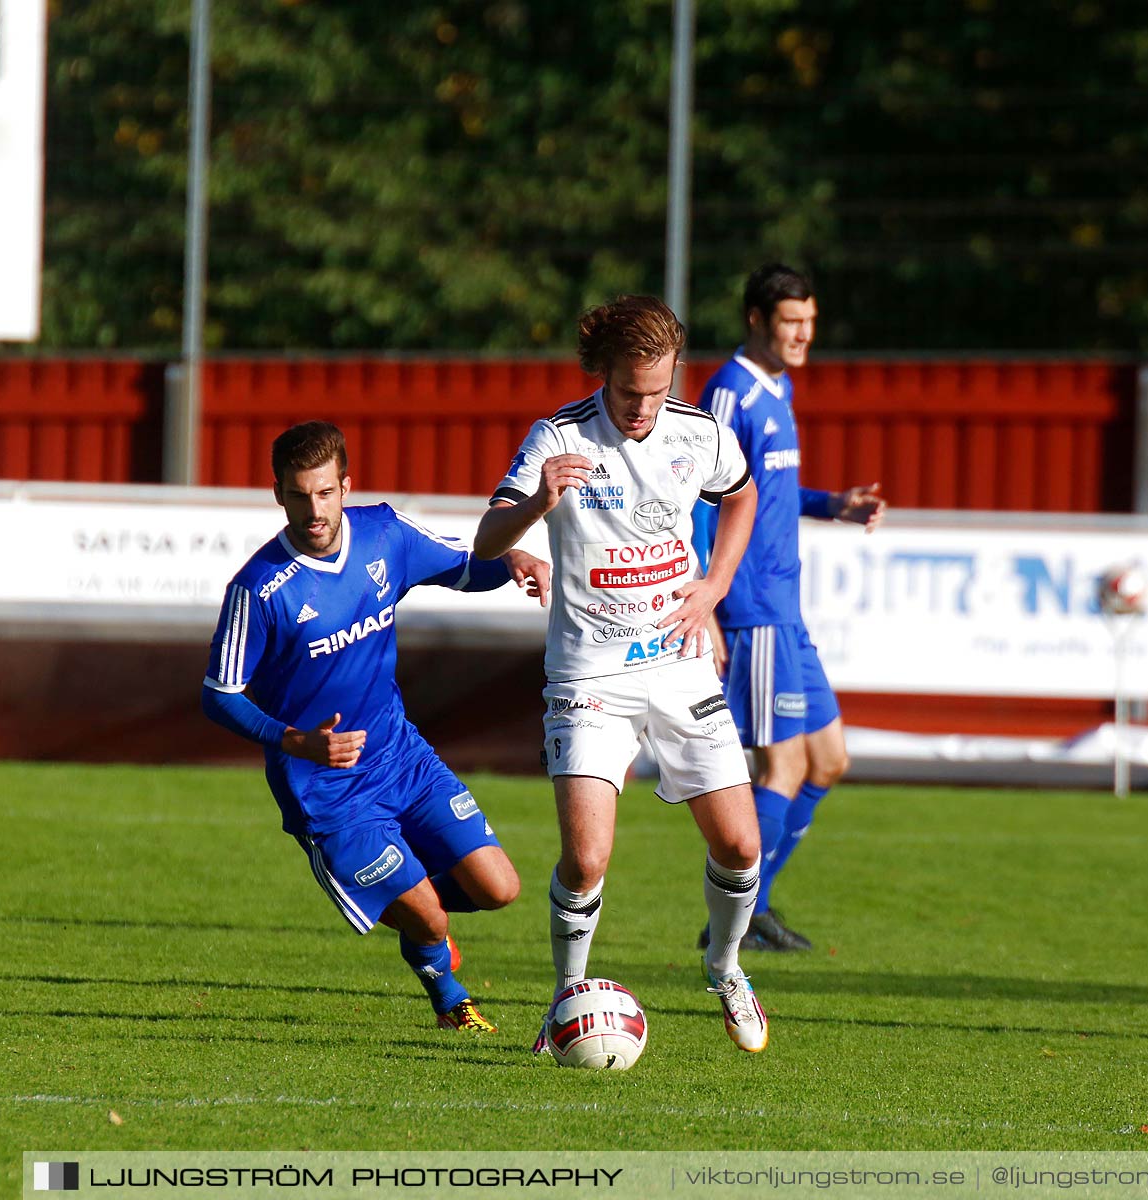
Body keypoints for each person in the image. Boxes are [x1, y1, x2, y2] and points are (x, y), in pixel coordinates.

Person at [473, 295, 771, 1054]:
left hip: (678, 666)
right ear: (602, 370)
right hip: (589, 673)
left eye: (658, 389)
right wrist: (539, 502)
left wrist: (715, 588)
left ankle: (726, 968)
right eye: (631, 390)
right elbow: (487, 538)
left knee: (740, 845)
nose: (644, 406)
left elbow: (741, 499)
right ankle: (566, 998)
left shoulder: (696, 430)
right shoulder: (559, 435)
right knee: (587, 857)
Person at [201, 420, 551, 1032]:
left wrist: (514, 558)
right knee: (433, 924)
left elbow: (467, 567)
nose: (314, 510)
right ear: (278, 494)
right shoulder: (259, 591)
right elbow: (218, 694)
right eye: (299, 495)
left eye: (326, 493)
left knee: (499, 888)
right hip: (326, 790)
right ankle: (447, 993)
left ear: (346, 485)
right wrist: (296, 741)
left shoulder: (385, 533)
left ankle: (416, 904)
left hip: (400, 757)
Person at [691, 263, 887, 953]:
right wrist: (706, 596)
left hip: (786, 607)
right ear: (756, 320)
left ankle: (755, 908)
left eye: (809, 321)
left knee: (829, 760)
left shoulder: (781, 388)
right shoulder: (730, 394)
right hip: (751, 607)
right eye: (790, 323)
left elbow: (769, 494)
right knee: (784, 768)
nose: (804, 334)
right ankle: (733, 922)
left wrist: (835, 505)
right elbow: (702, 499)